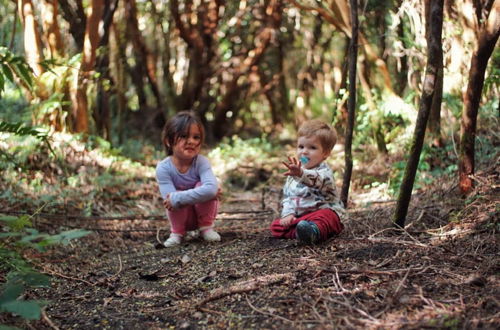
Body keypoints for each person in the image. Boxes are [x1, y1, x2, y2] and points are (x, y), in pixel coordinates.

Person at [270, 119, 345, 244]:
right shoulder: (293, 174)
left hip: (321, 214)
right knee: (276, 226)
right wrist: (287, 214)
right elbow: (288, 198)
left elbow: (316, 179)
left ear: (325, 153)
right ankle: (301, 233)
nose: (304, 151)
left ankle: (314, 231)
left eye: (312, 147)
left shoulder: (324, 172)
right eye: (301, 146)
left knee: (328, 216)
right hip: (301, 218)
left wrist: (301, 174)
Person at [156, 111, 221, 247]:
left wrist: (178, 198)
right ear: (169, 141)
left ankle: (206, 229)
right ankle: (177, 234)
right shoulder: (163, 168)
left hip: (203, 215)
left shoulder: (202, 162)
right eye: (184, 136)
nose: (191, 141)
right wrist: (176, 198)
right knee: (175, 194)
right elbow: (169, 201)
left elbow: (210, 189)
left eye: (196, 137)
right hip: (180, 218)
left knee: (201, 185)